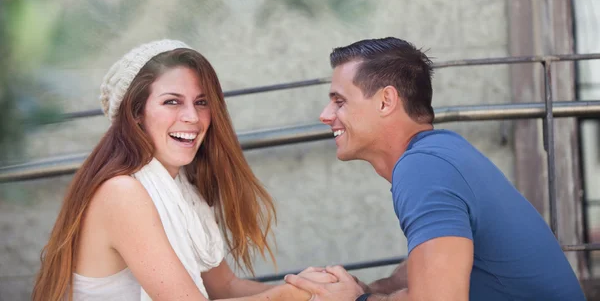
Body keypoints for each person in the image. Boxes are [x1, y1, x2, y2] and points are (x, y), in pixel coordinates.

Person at [284, 37, 586, 301]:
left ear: (386, 101)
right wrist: (364, 288)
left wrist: (359, 300)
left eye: (339, 101)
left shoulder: (422, 168)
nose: (326, 115)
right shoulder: (441, 152)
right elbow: (436, 260)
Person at [32, 39, 334, 301]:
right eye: (172, 102)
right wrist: (299, 294)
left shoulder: (183, 190)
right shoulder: (122, 192)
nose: (192, 117)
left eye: (201, 102)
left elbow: (225, 288)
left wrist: (307, 284)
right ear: (136, 113)